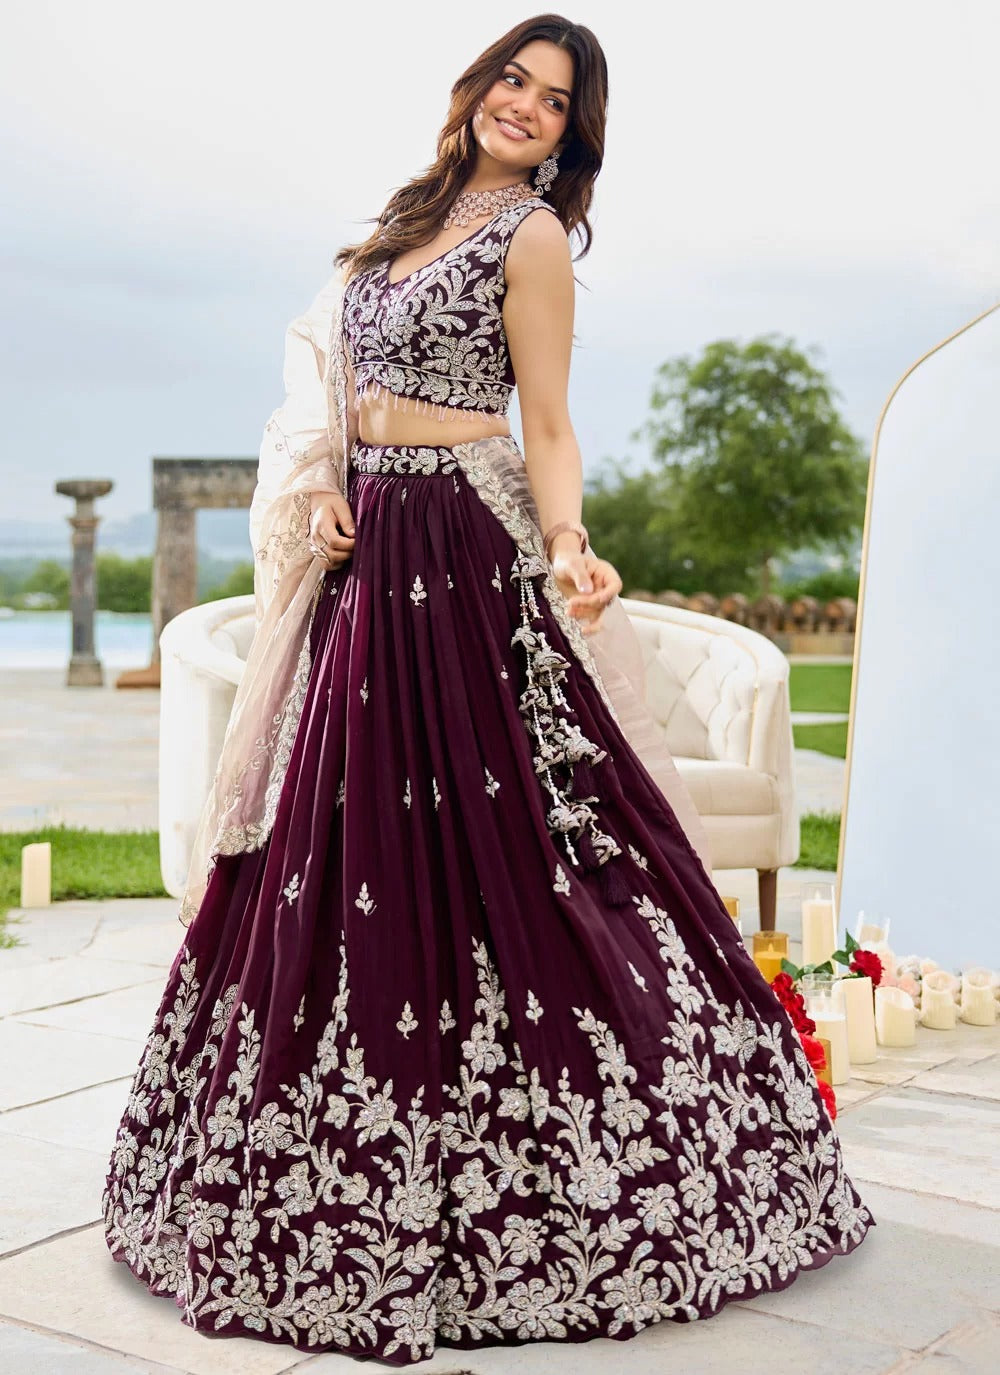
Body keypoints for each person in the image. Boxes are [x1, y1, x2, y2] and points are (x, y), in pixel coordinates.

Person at [102, 14, 874, 1366]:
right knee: (333, 845)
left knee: (517, 847)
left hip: (463, 551)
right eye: (514, 78)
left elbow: (549, 422)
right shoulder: (397, 229)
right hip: (367, 557)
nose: (525, 105)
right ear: (477, 87)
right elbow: (339, 399)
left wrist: (567, 541)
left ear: (574, 134)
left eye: (555, 99)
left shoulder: (531, 239)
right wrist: (325, 494)